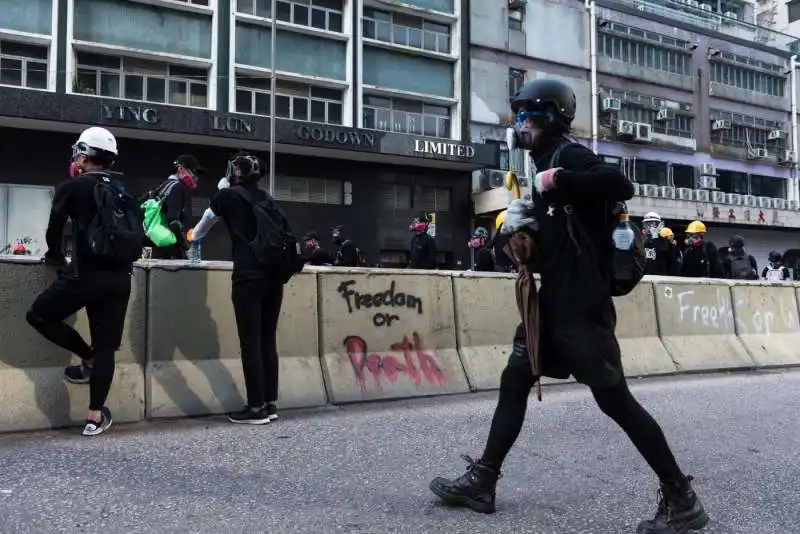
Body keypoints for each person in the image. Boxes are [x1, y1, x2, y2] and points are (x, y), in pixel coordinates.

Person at [429, 78, 709, 534]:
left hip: (581, 305)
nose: (520, 124)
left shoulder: (567, 155)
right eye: (518, 116)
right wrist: (517, 232)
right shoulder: (537, 163)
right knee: (515, 380)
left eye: (528, 116)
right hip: (552, 301)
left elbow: (620, 182)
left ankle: (681, 497)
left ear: (550, 118)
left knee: (615, 401)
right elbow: (554, 236)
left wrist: (557, 180)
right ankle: (483, 481)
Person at [26, 126, 141, 436]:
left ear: (85, 155)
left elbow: (54, 231)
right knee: (107, 347)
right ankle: (94, 416)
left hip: (84, 276)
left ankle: (85, 356)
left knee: (38, 315)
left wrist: (53, 257)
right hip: (120, 279)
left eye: (78, 151)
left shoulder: (72, 187)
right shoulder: (123, 191)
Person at [188, 152, 291, 424]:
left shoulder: (228, 195)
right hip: (273, 276)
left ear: (236, 172)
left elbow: (206, 220)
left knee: (250, 341)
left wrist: (223, 188)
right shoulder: (267, 199)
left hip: (248, 275)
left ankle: (254, 408)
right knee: (268, 338)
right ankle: (270, 404)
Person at [142, 155, 205, 259]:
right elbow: (174, 222)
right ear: (180, 168)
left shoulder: (162, 186)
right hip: (169, 250)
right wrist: (187, 248)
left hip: (152, 246)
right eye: (193, 172)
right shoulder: (178, 188)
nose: (196, 177)